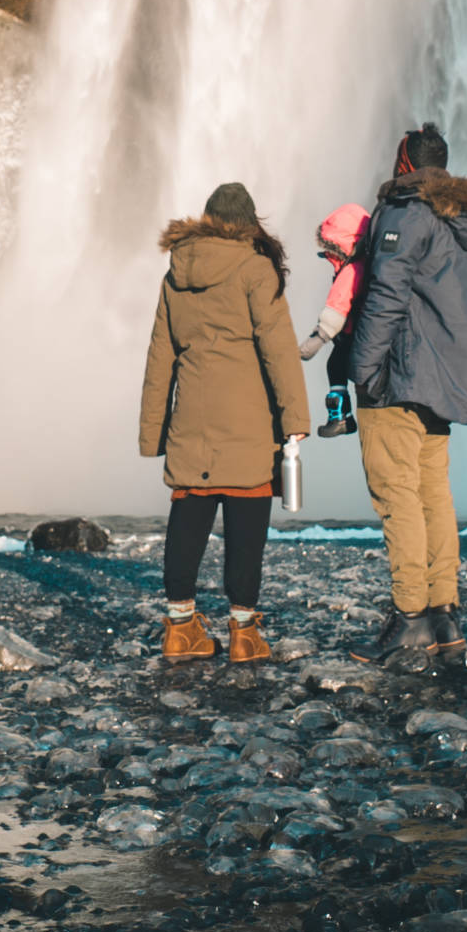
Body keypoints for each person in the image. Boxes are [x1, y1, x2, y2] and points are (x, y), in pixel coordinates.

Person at [138, 181, 311, 663]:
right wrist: (295, 419)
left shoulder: (176, 273)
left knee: (189, 513)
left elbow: (160, 358)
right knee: (246, 522)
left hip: (191, 418)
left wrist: (154, 434)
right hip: (248, 422)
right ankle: (243, 632)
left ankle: (179, 626)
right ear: (249, 224)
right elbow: (279, 350)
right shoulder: (255, 270)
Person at [347, 123, 467, 663]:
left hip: (399, 378)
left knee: (397, 494)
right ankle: (445, 618)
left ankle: (408, 618)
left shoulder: (404, 212)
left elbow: (387, 295)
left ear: (406, 163)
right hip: (442, 384)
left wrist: (362, 369)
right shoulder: (457, 218)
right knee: (434, 494)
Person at [299, 202, 370, 438]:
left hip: (352, 335)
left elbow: (337, 306)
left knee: (335, 366)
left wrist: (317, 339)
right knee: (337, 366)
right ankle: (343, 418)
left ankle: (340, 417)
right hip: (357, 333)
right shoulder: (367, 262)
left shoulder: (351, 270)